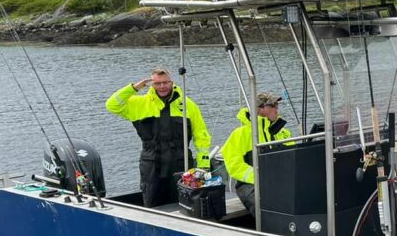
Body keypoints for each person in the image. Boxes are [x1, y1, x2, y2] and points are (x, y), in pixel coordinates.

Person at [106, 67, 212, 208]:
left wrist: (203, 164)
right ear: (151, 84)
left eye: (166, 82)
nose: (162, 86)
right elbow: (112, 104)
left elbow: (201, 136)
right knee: (152, 205)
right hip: (151, 164)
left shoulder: (188, 105)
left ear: (172, 82)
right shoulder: (139, 104)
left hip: (180, 163)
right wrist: (135, 87)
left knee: (183, 205)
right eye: (157, 83)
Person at [222, 90, 293, 217]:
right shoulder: (240, 134)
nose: (277, 109)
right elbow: (234, 166)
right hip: (249, 184)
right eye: (273, 106)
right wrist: (260, 177)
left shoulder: (282, 132)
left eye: (277, 105)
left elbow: (293, 158)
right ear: (261, 109)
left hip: (279, 180)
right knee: (265, 205)